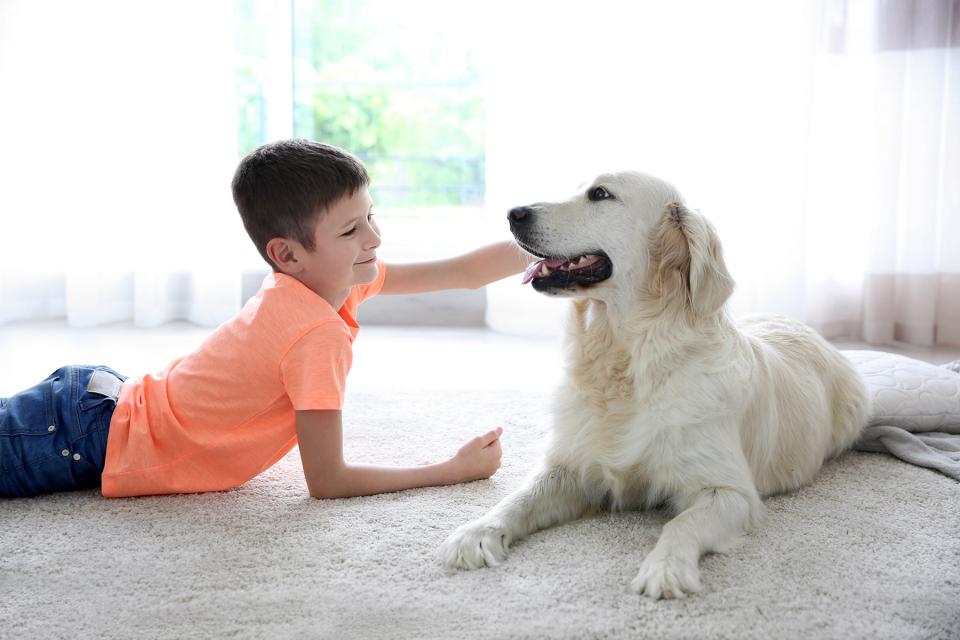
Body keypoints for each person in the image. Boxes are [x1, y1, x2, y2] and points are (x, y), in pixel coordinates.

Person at [0, 139, 531, 499]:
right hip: (82, 435)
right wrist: (452, 471)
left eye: (371, 216)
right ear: (288, 254)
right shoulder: (316, 334)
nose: (374, 238)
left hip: (98, 403)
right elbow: (329, 480)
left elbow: (465, 270)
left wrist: (550, 246)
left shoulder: (324, 280)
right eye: (350, 231)